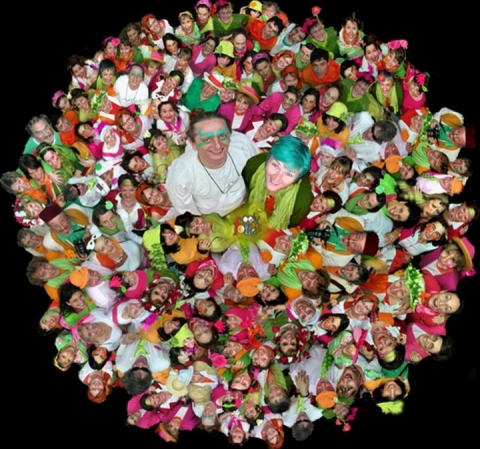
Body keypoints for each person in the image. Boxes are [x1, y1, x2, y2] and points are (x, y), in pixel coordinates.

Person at [166, 110, 257, 217]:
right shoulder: (180, 174)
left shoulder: (242, 144)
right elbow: (191, 215)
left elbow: (257, 171)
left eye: (222, 136)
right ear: (193, 144)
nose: (218, 146)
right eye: (207, 140)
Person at [242, 135, 313, 229]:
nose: (276, 178)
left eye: (289, 174)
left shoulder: (300, 203)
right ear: (268, 159)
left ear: (296, 180)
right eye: (275, 165)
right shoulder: (254, 165)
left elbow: (289, 225)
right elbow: (243, 188)